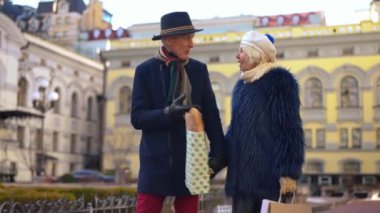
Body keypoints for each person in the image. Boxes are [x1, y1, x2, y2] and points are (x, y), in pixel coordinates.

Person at [131, 11, 226, 213]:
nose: (192, 43)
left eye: (192, 37)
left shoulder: (199, 70)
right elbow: (137, 118)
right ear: (168, 40)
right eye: (186, 37)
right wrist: (167, 114)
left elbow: (211, 115)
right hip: (154, 163)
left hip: (192, 162)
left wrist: (219, 153)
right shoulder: (145, 71)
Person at [224, 30, 305, 212]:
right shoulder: (241, 87)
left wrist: (288, 173)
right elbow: (234, 133)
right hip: (240, 181)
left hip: (267, 179)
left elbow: (289, 130)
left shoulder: (280, 82)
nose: (237, 56)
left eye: (241, 51)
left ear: (255, 53)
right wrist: (213, 162)